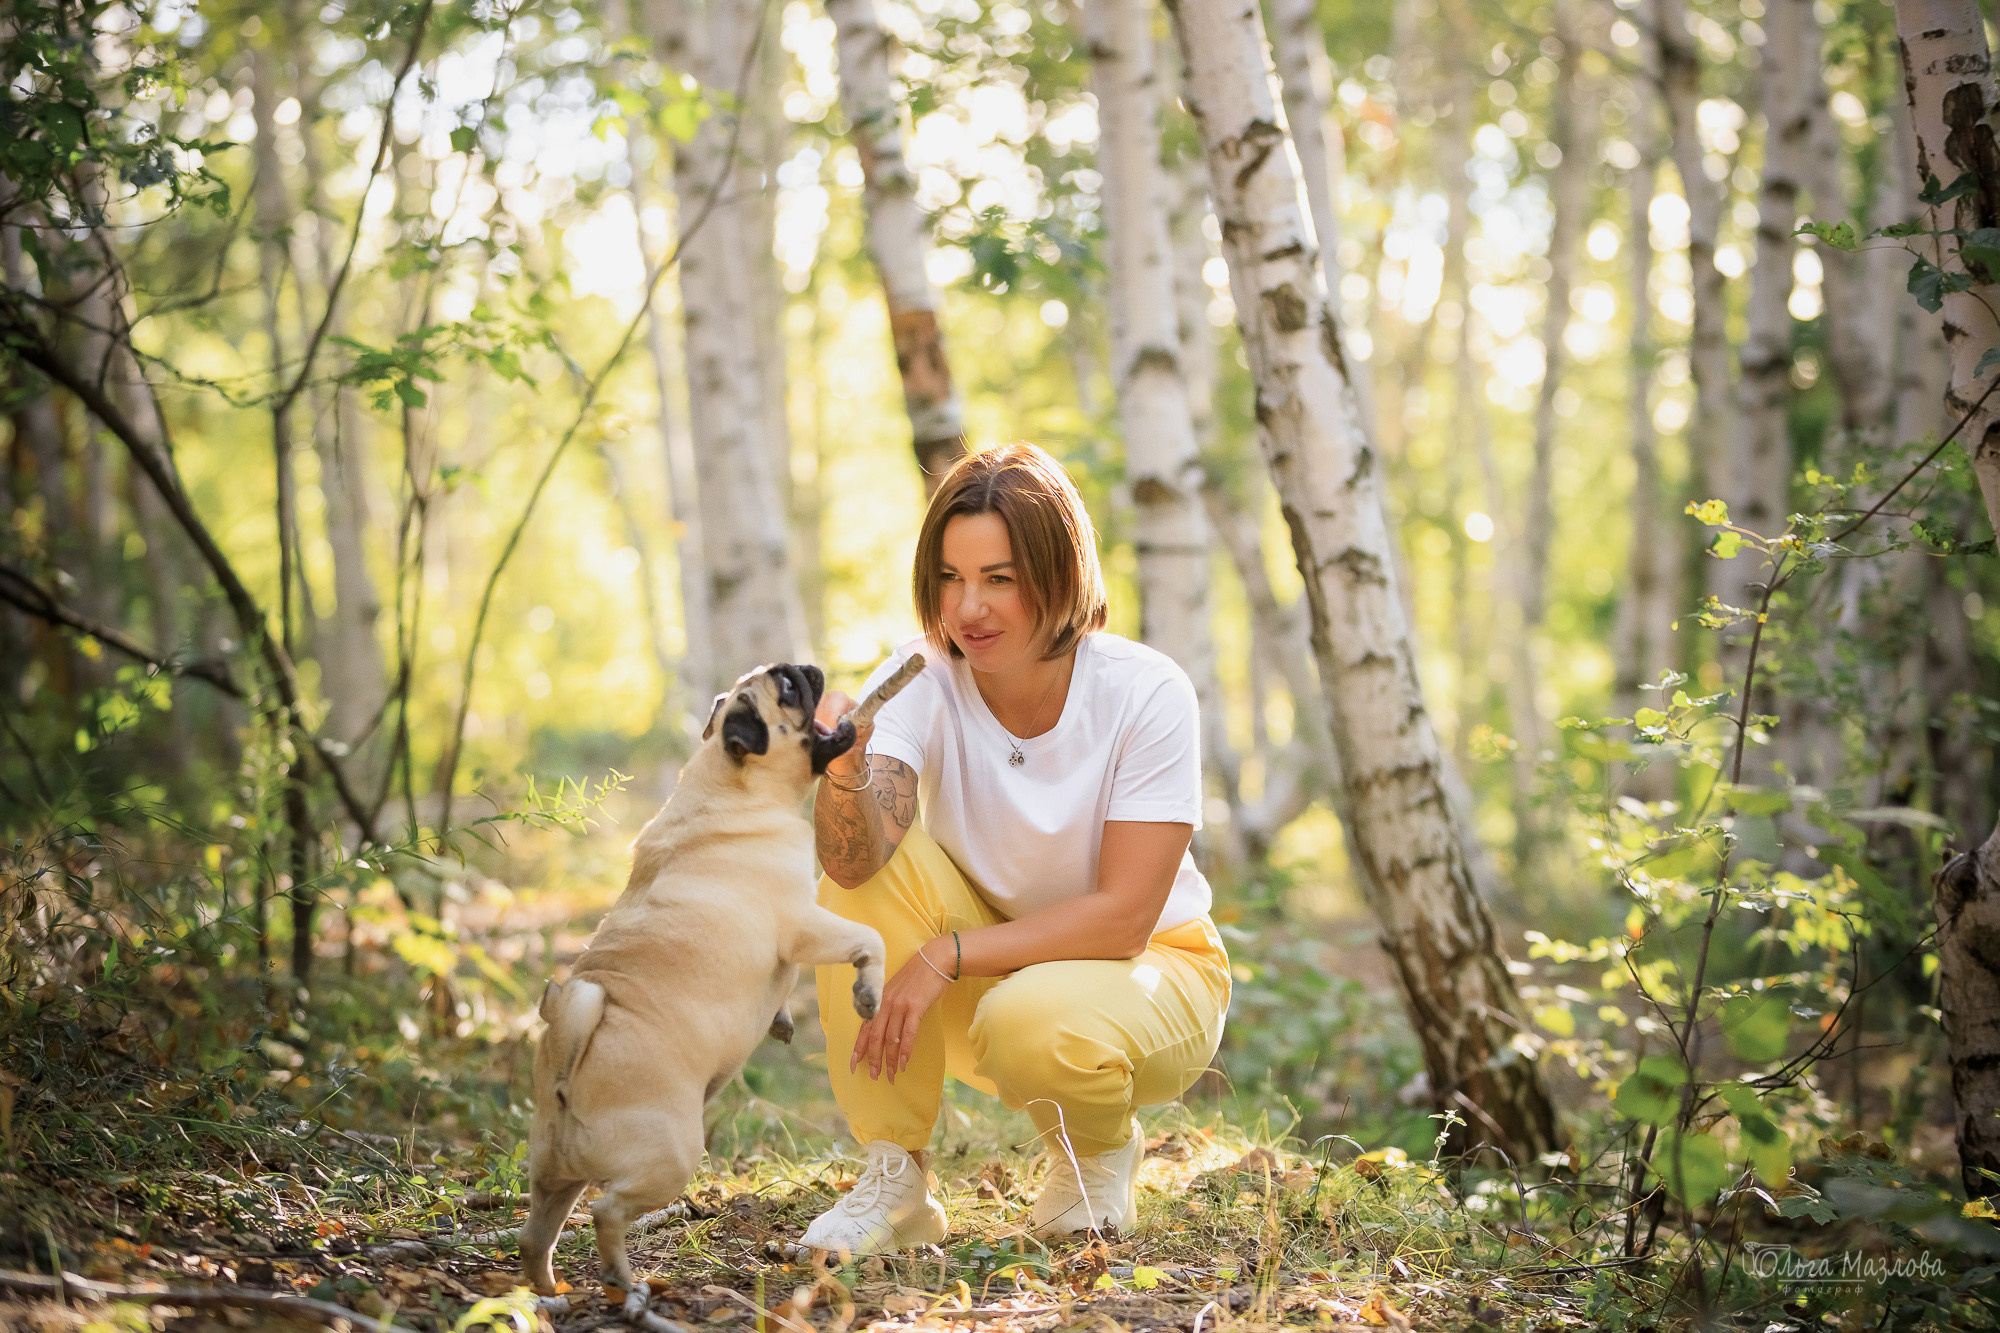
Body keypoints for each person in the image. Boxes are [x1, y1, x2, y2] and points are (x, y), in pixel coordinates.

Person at [800, 443, 1230, 1255]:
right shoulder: (921, 674)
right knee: (864, 877)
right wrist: (845, 770)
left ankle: (1095, 1150)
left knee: (1032, 1017)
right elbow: (855, 865)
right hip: (987, 978)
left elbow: (1124, 920)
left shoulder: (1147, 690)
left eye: (998, 578)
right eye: (950, 578)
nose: (969, 608)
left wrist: (946, 953)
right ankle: (896, 1177)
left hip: (1152, 976)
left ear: (1058, 574)